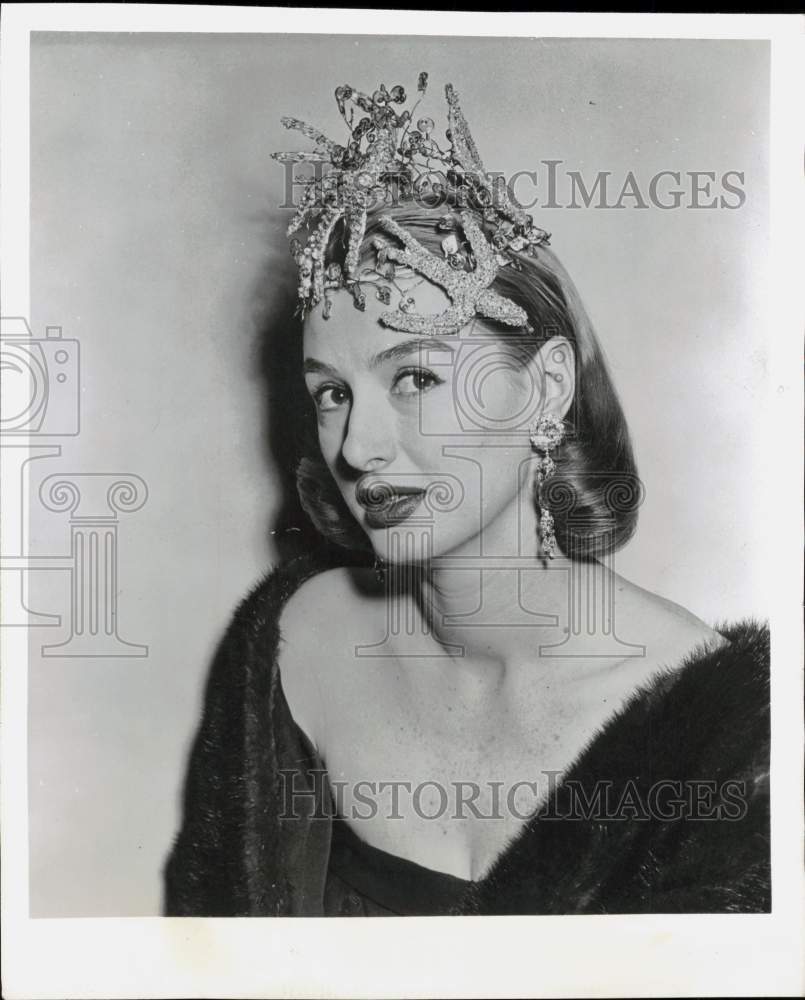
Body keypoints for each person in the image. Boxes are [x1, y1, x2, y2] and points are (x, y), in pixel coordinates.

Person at [163, 76, 770, 917]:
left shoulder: (725, 730)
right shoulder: (289, 645)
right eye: (330, 392)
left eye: (413, 375)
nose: (355, 446)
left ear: (545, 387)